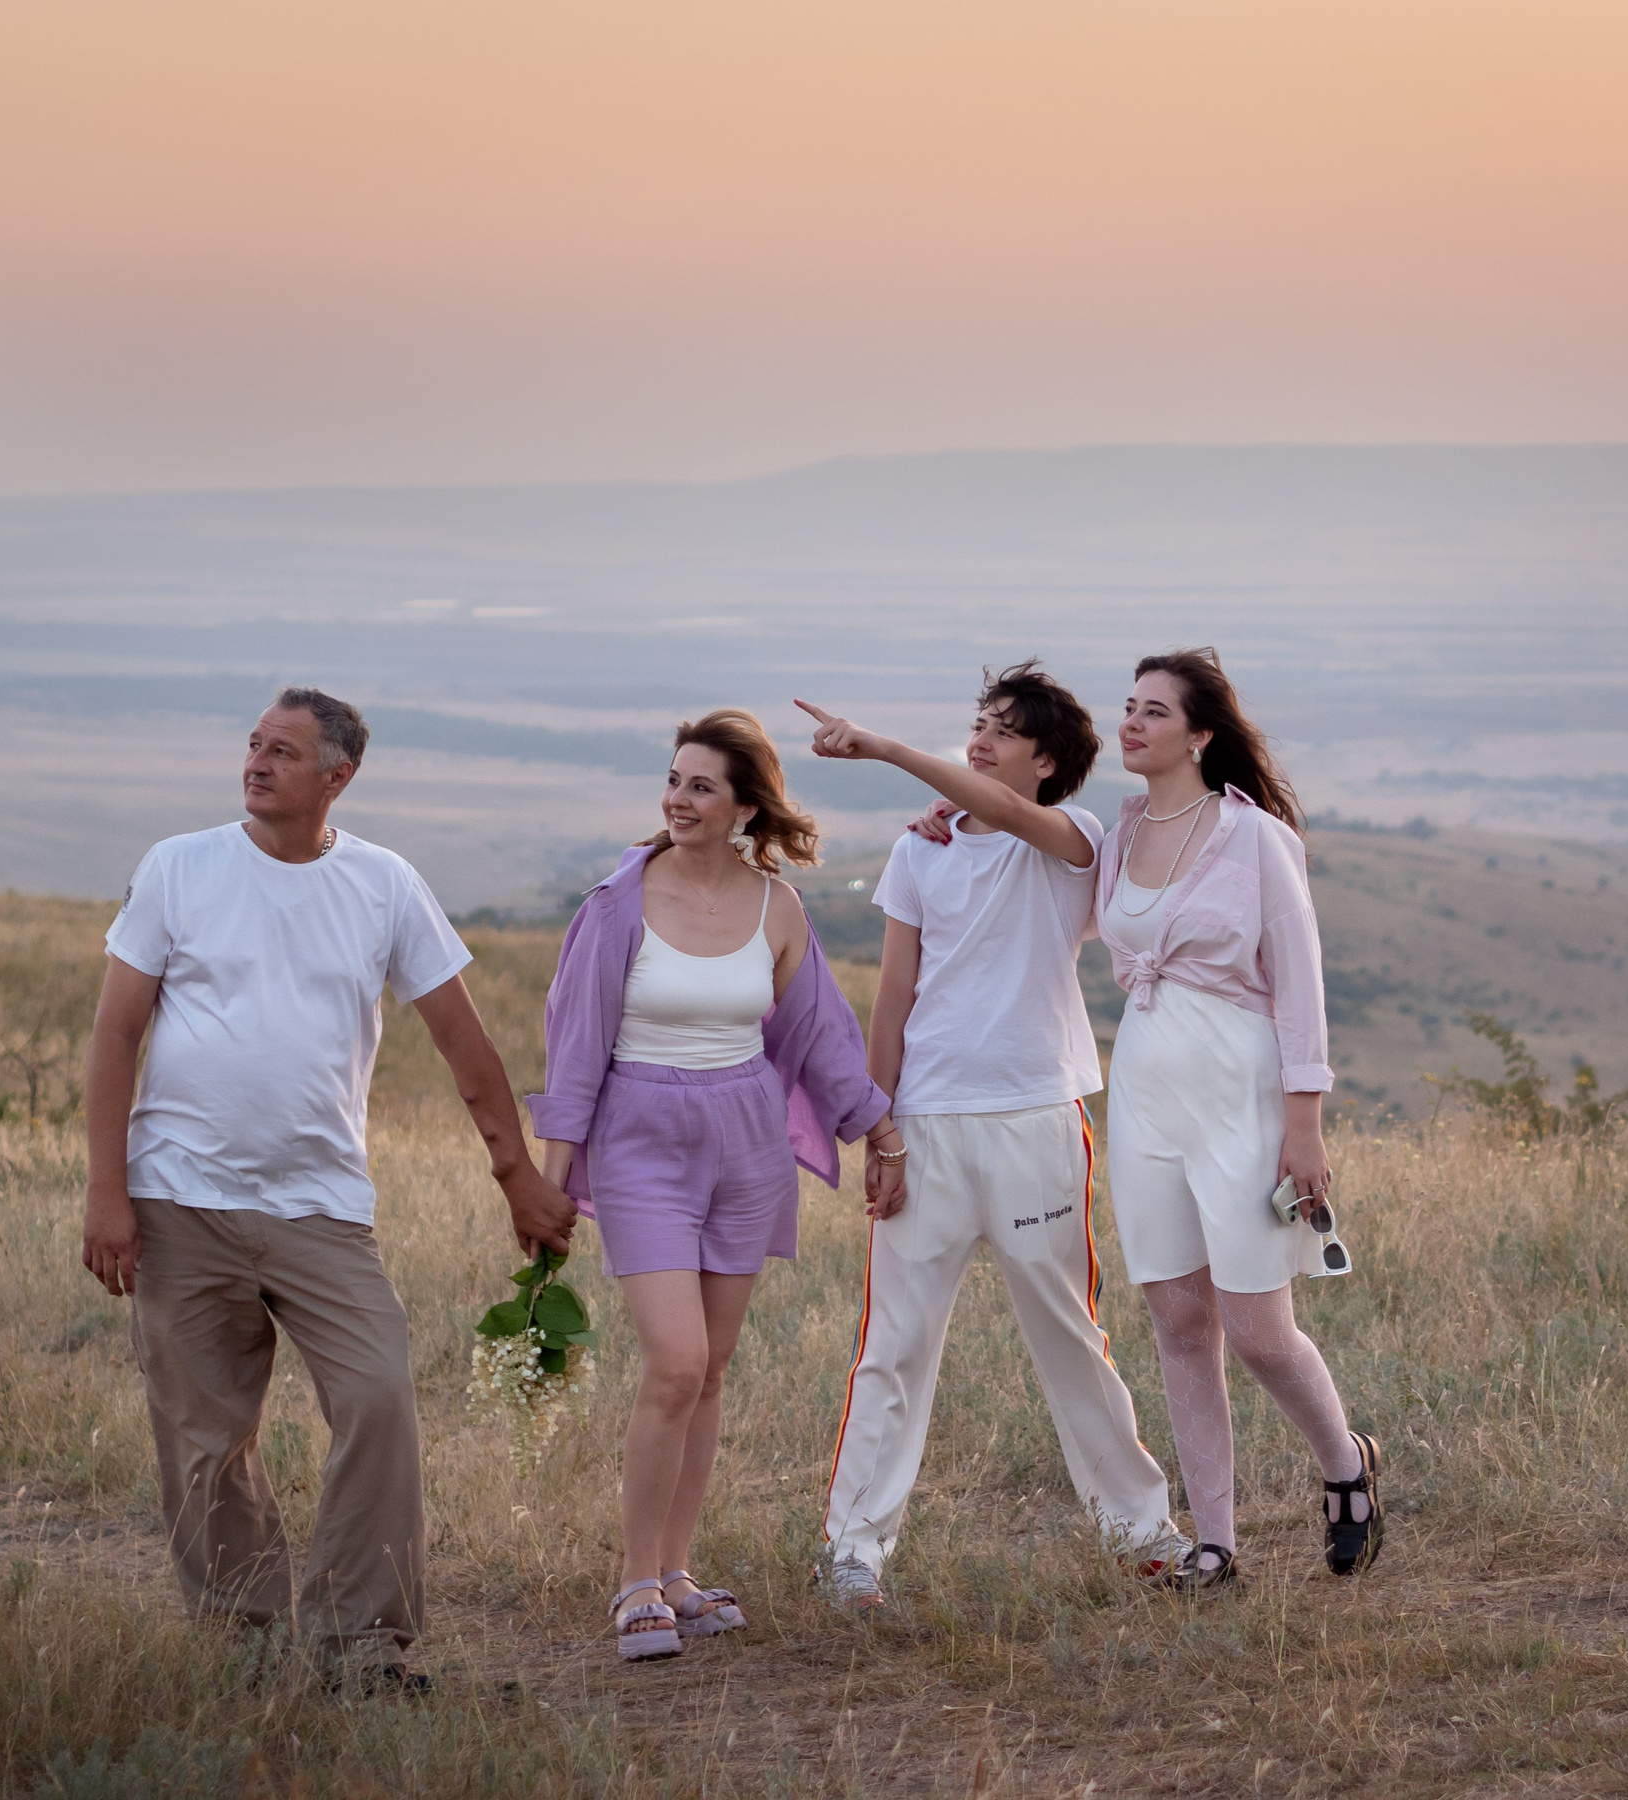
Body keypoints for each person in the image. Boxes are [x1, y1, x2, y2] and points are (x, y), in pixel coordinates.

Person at [80, 687, 577, 1691]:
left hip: (323, 1210)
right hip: (180, 1202)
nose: (258, 763)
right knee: (205, 1440)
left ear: (336, 777)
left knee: (379, 1396)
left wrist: (515, 1173)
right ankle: (247, 1653)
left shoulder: (385, 885)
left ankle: (359, 1649)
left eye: (284, 752)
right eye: (254, 745)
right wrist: (107, 1193)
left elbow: (461, 1040)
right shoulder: (179, 868)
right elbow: (114, 1034)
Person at [797, 666, 1186, 1611]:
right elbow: (893, 996)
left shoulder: (1073, 841)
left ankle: (1145, 1533)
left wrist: (887, 749)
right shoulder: (921, 850)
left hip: (1034, 1121)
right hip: (925, 1125)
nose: (981, 740)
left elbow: (1014, 819)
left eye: (1004, 732)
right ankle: (853, 1550)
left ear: (1048, 763)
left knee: (1069, 1336)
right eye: (978, 724)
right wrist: (876, 1123)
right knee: (893, 1343)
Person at [527, 710, 899, 1662]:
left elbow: (819, 1035)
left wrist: (876, 1124)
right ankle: (634, 1581)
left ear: (744, 804)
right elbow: (574, 1052)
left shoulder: (778, 908)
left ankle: (679, 1574)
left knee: (712, 1373)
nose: (678, 799)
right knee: (675, 1364)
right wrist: (549, 1190)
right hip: (641, 1143)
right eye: (673, 780)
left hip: (744, 1145)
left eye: (701, 785)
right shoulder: (618, 902)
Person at [1053, 648, 1381, 1588]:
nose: (1132, 724)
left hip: (1240, 1089)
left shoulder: (1256, 839)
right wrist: (949, 816)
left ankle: (1346, 1465)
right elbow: (1044, 886)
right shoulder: (1118, 836)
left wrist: (1304, 1123)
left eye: (1153, 712)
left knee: (1257, 1329)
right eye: (1128, 708)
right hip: (1147, 1088)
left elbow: (1300, 987)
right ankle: (1217, 1543)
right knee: (1178, 1321)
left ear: (1200, 734)